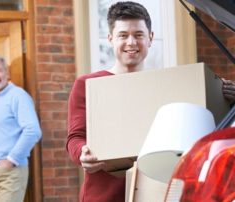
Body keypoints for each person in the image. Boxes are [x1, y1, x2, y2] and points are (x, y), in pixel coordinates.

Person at [67, 1, 235, 201]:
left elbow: (205, 130)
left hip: (154, 193)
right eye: (123, 35)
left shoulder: (168, 87)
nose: (131, 42)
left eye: (138, 35)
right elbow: (75, 138)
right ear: (110, 39)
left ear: (150, 38)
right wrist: (82, 154)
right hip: (104, 194)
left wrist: (226, 99)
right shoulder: (88, 84)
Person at [0, 53, 42, 202]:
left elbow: (33, 131)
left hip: (11, 170)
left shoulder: (18, 96)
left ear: (7, 73)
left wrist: (11, 160)